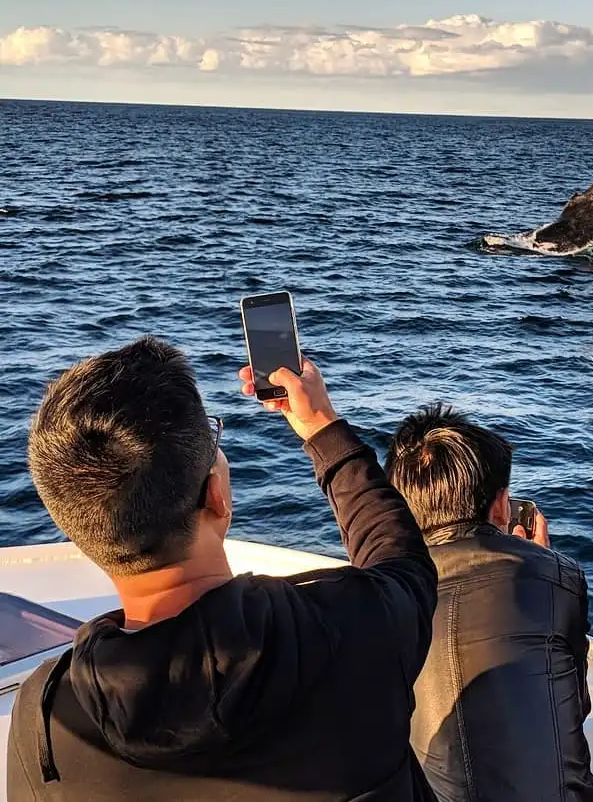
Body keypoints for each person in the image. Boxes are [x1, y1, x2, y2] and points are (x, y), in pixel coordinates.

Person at [8, 336, 438, 801]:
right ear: (216, 495)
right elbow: (402, 559)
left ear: (77, 526)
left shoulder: (44, 715)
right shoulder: (353, 624)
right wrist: (320, 427)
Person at [385, 403, 593, 802]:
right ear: (501, 505)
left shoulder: (381, 595)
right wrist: (542, 568)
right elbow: (575, 706)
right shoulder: (561, 577)